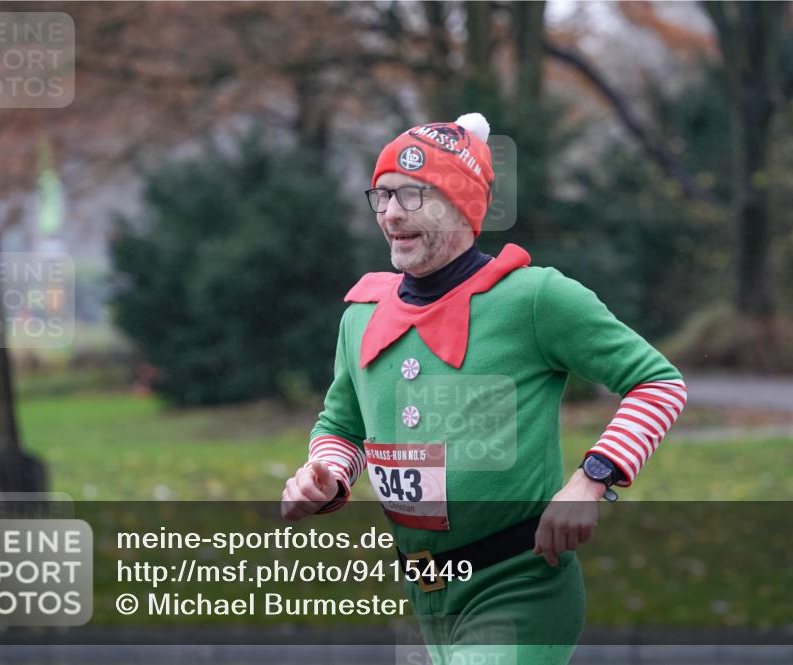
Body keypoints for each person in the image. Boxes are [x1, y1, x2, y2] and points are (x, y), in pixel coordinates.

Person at [281, 112, 687, 664]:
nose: (392, 213)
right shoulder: (361, 315)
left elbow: (658, 383)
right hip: (427, 595)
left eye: (413, 195)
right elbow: (342, 427)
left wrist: (590, 482)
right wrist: (326, 475)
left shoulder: (535, 298)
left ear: (461, 204)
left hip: (519, 586)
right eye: (383, 195)